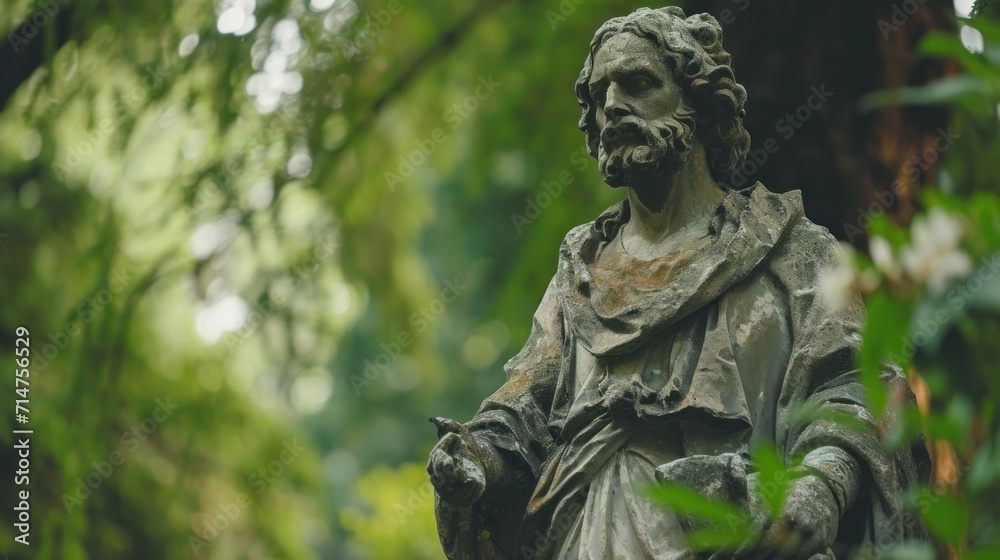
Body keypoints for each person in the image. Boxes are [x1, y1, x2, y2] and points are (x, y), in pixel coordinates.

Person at [427, 7, 929, 559]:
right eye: (599, 96)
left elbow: (860, 386)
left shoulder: (794, 252)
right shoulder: (582, 267)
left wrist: (823, 486)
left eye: (638, 83)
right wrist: (476, 457)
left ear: (698, 100)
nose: (613, 106)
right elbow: (526, 406)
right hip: (581, 531)